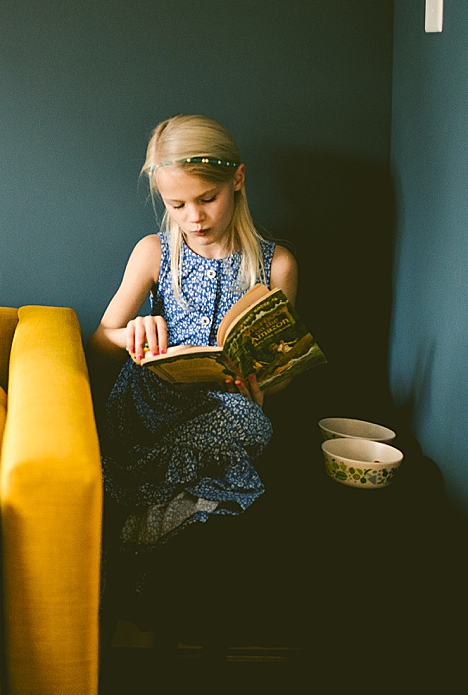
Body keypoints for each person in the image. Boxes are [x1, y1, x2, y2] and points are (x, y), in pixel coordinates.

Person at [93, 114, 299, 629]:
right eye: (176, 204)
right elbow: (100, 341)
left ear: (238, 180)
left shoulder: (277, 268)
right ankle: (156, 513)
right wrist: (133, 333)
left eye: (207, 199)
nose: (194, 218)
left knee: (252, 420)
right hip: (149, 404)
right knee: (242, 431)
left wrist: (264, 382)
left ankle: (147, 527)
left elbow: (283, 373)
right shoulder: (155, 253)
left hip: (224, 412)